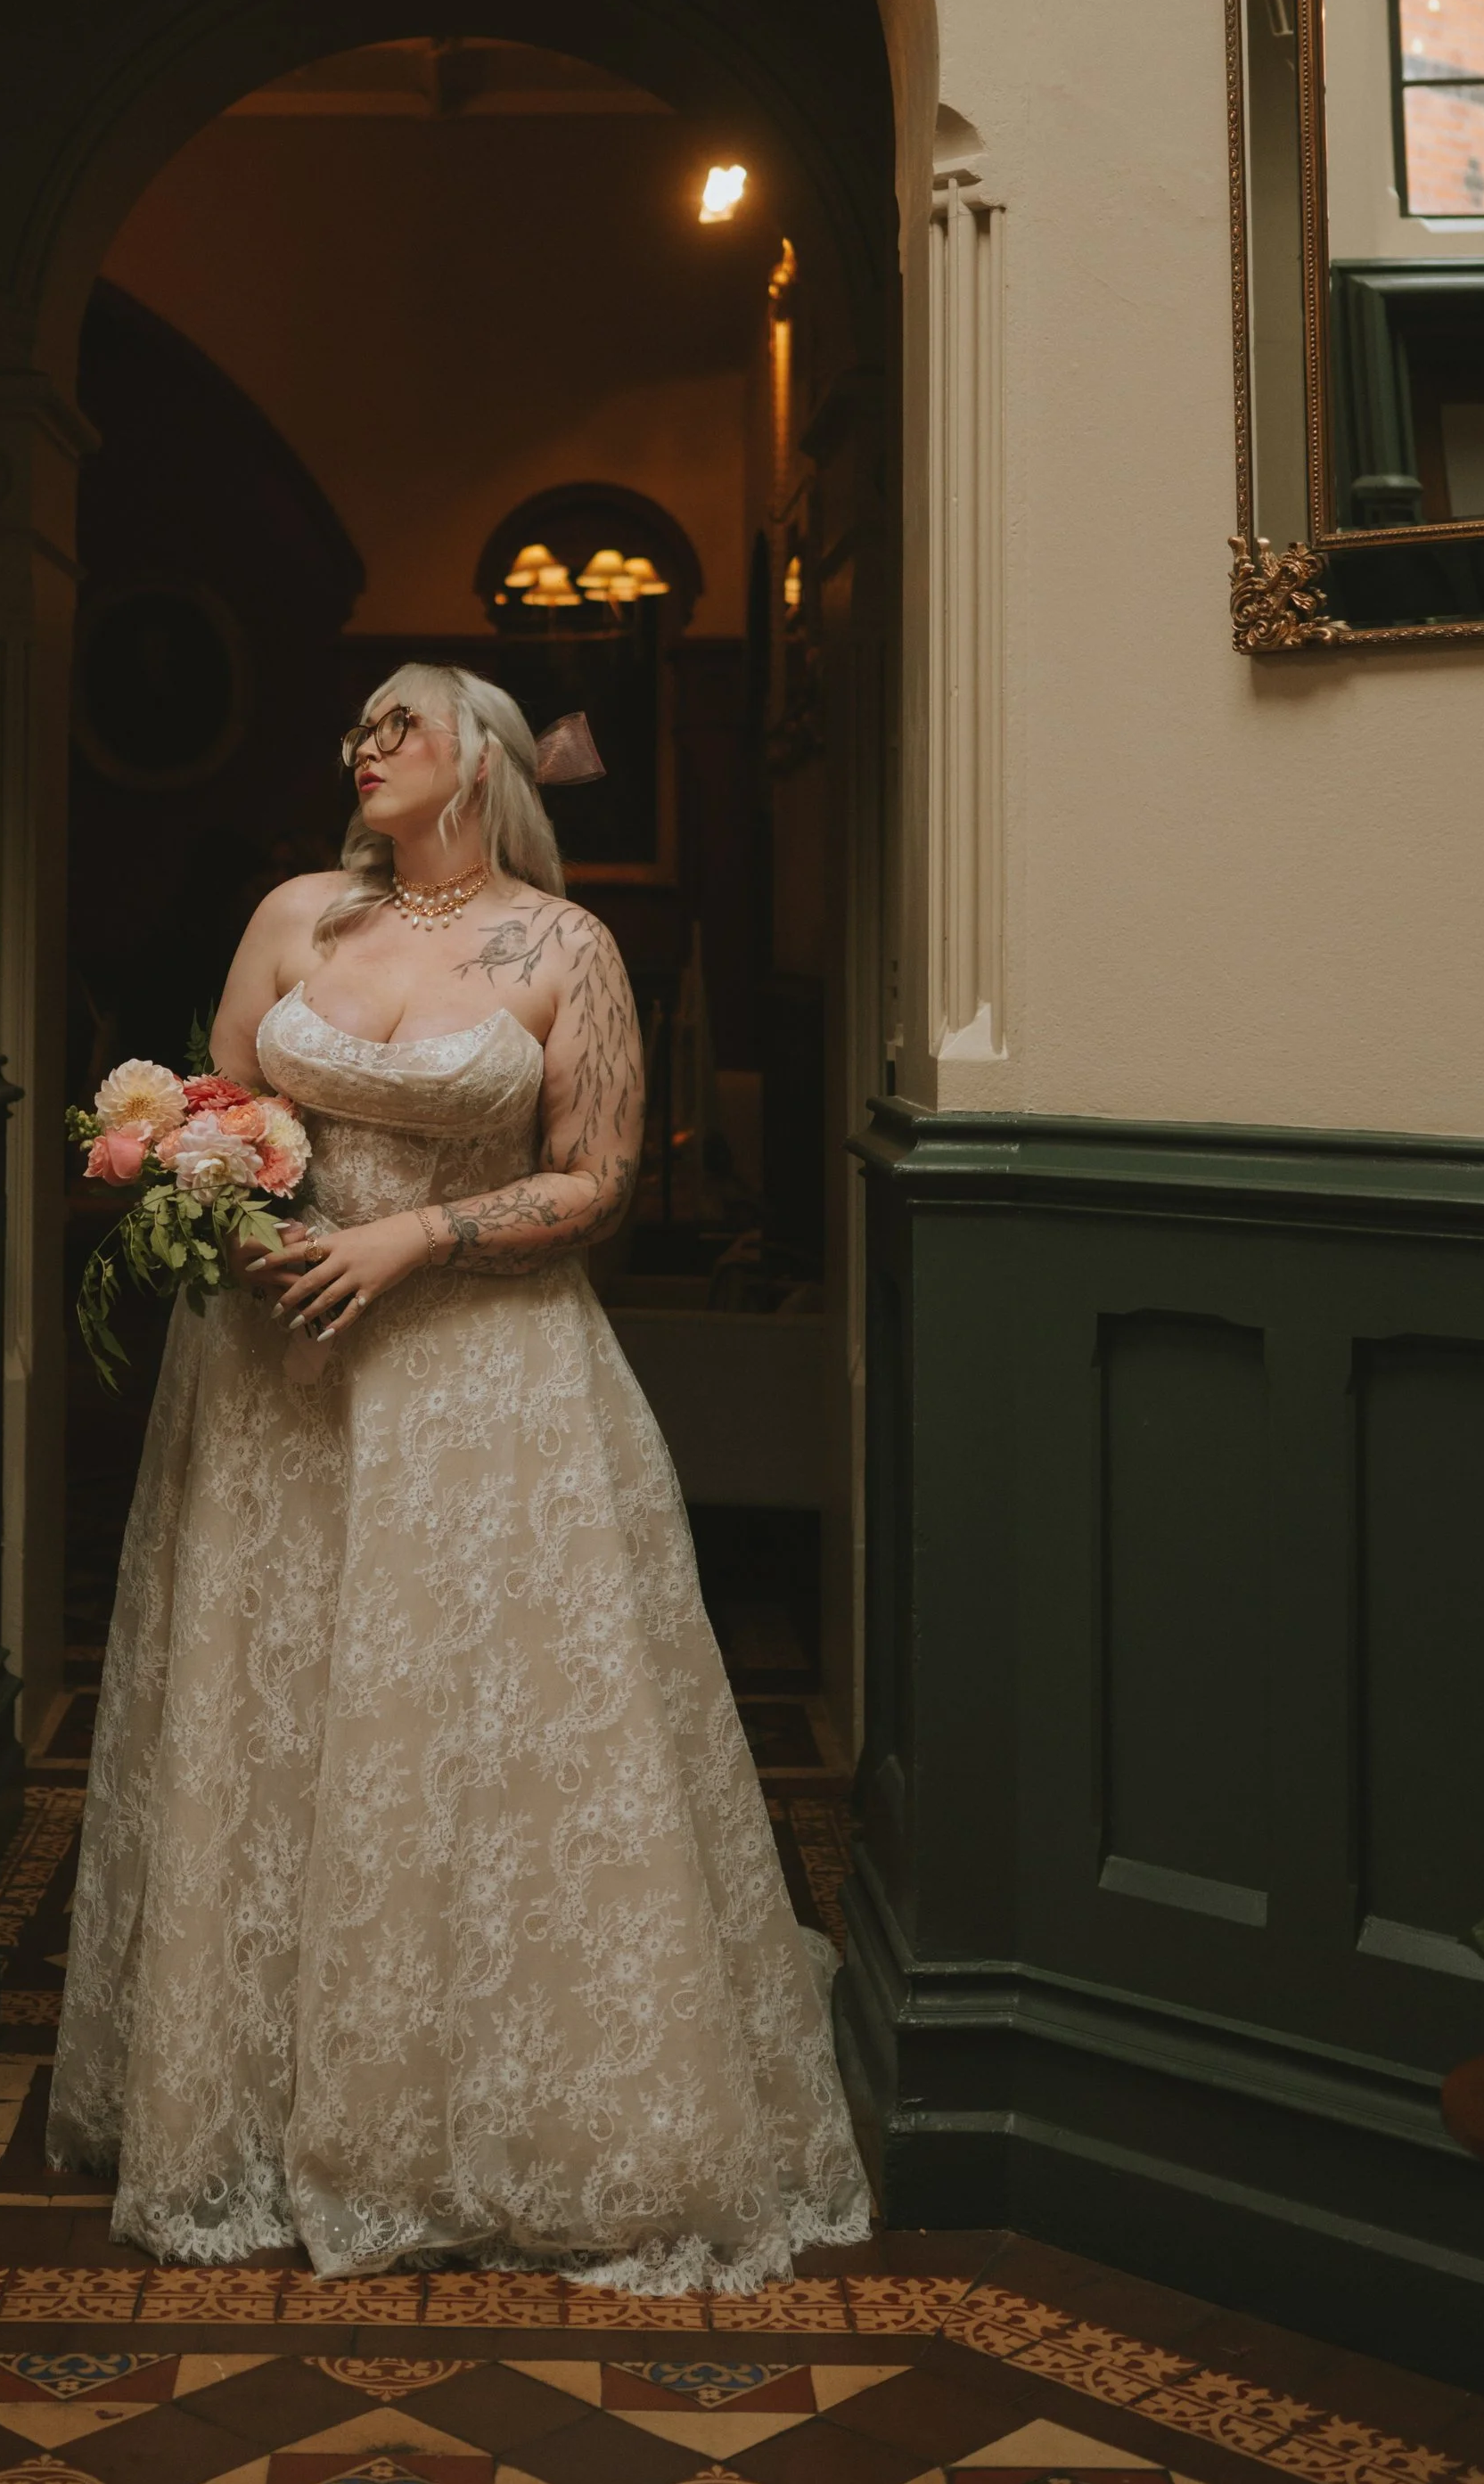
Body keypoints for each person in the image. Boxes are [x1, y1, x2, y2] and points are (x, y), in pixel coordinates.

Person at [48, 663, 871, 2291]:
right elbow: (215, 1099)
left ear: (478, 764)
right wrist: (230, 1202)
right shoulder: (296, 915)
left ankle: (482, 2116)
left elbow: (603, 1179)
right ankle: (265, 2109)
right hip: (282, 1379)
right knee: (281, 1727)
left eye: (396, 724)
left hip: (489, 1386)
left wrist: (419, 1231)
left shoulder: (569, 951)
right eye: (350, 723)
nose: (361, 743)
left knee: (473, 1742)